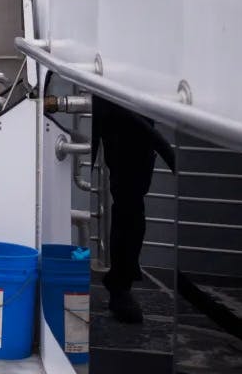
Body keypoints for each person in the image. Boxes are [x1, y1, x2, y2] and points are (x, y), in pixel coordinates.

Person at [92, 95, 158, 323]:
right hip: (88, 85)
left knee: (131, 199)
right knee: (58, 166)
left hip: (132, 96)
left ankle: (121, 286)